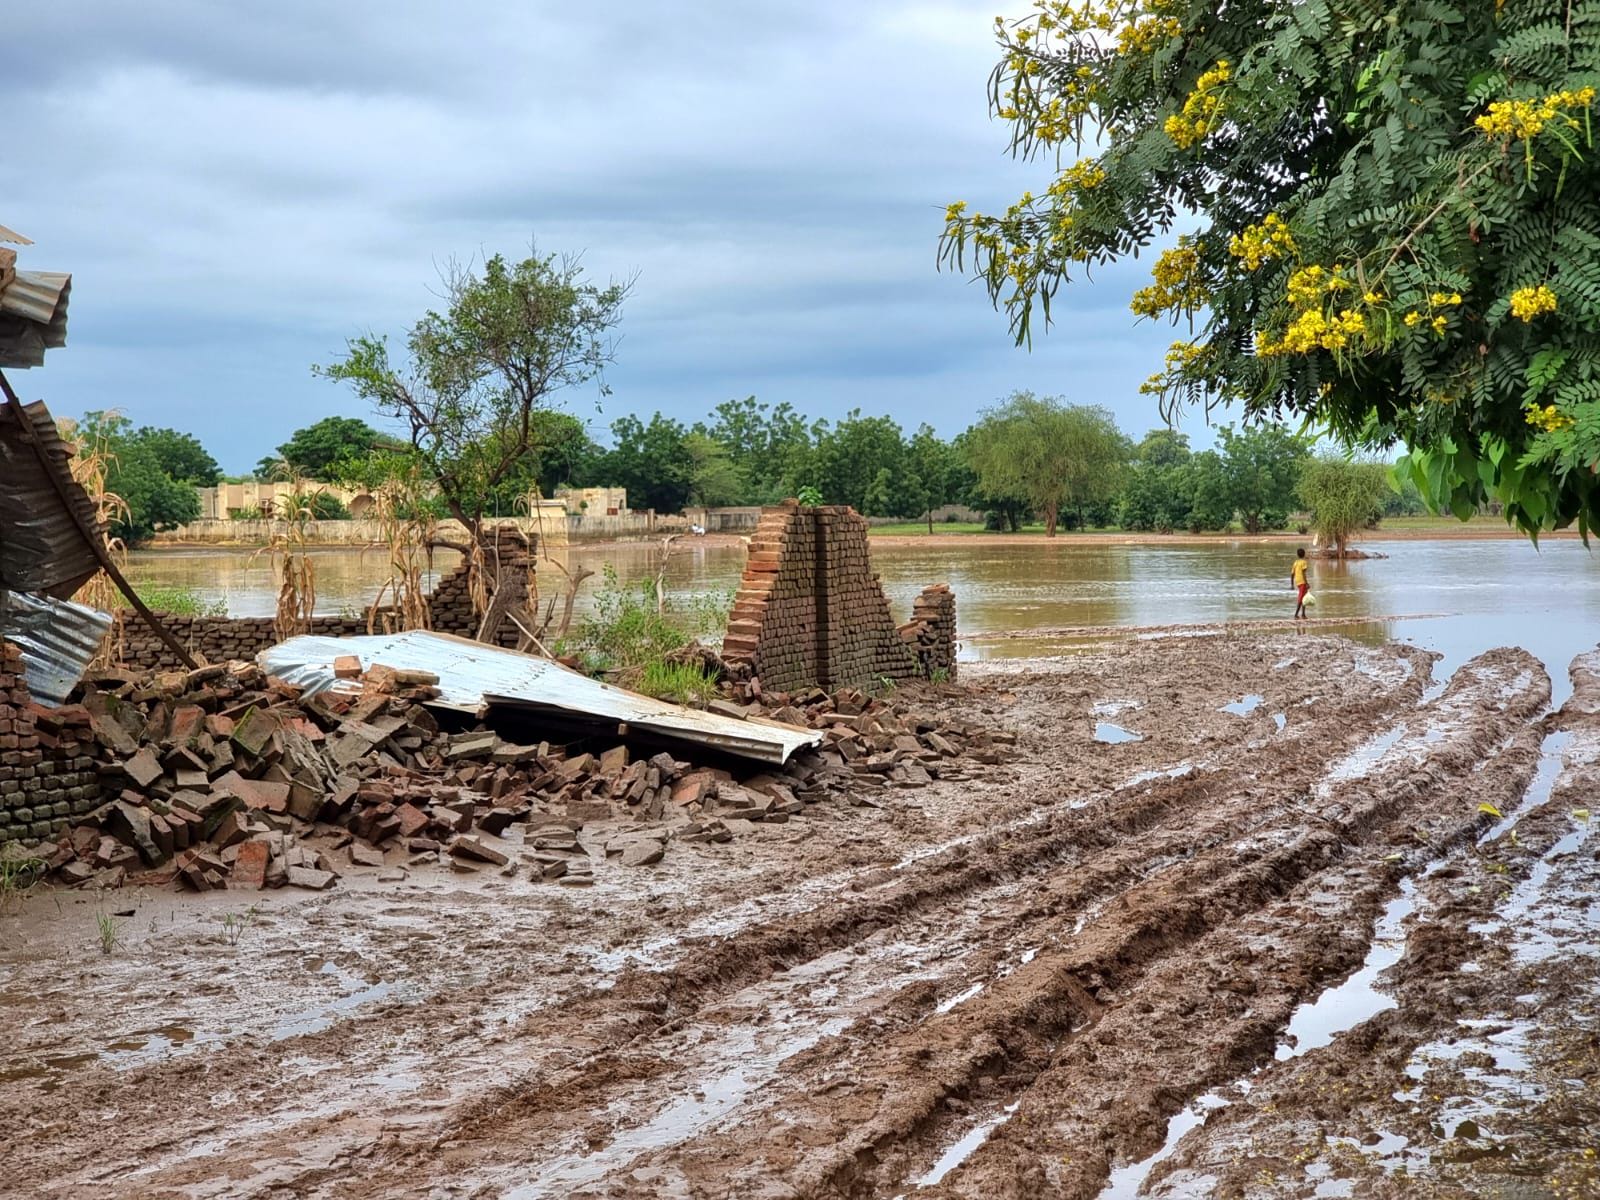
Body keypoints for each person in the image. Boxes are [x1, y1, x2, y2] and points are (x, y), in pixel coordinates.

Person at [1291, 548, 1309, 620]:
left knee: (1304, 597)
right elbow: (1304, 574)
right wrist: (1307, 583)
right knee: (1301, 598)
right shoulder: (1303, 562)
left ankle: (1303, 614)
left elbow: (1292, 574)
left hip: (1297, 581)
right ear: (1304, 554)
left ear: (1297, 555)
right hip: (1302, 582)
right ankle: (1296, 614)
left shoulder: (1295, 562)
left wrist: (1292, 584)